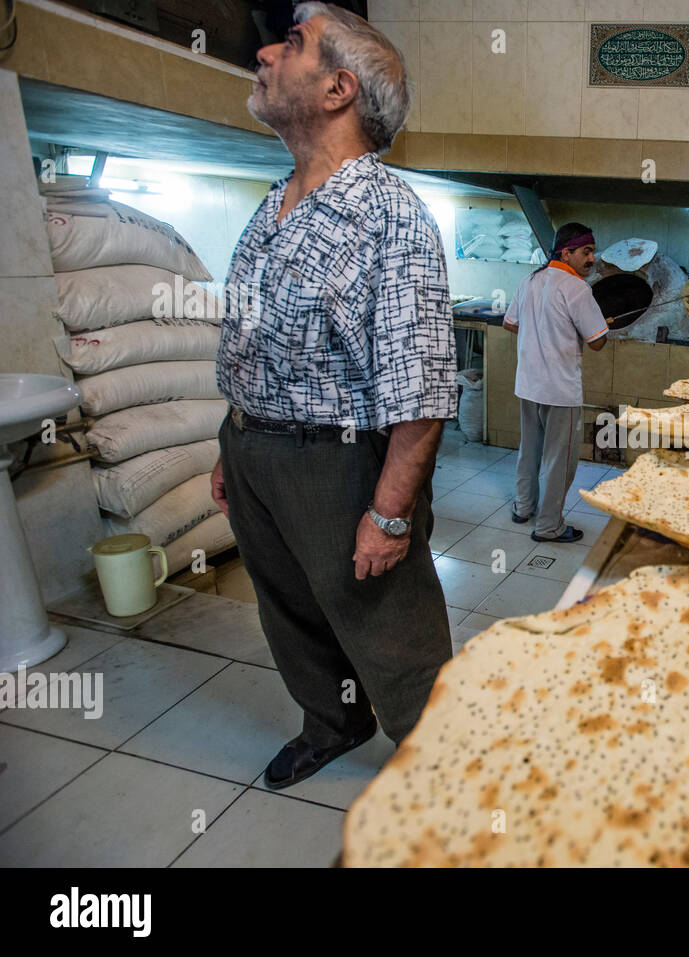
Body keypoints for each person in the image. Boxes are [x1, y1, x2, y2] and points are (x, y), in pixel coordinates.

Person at [209, 2, 456, 789]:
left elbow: (420, 393)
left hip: (340, 465)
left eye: (293, 44)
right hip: (254, 450)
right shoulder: (275, 203)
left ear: (339, 89)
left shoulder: (392, 218)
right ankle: (334, 719)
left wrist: (388, 514)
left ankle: (443, 762)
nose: (265, 52)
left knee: (391, 627)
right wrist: (232, 445)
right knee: (287, 609)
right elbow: (252, 342)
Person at [503, 223, 609, 543]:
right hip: (560, 390)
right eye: (586, 252)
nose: (592, 258)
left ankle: (524, 508)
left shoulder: (530, 280)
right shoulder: (577, 288)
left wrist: (545, 331)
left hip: (529, 385)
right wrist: (599, 328)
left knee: (530, 450)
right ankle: (549, 526)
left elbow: (510, 324)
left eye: (593, 251)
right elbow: (597, 342)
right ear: (567, 253)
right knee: (559, 460)